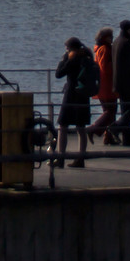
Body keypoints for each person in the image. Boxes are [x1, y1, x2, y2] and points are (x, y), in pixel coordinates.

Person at [54, 37, 98, 168]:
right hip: (83, 96)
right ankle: (81, 159)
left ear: (71, 49)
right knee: (81, 128)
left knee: (62, 126)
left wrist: (63, 60)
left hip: (71, 96)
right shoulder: (87, 58)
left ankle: (61, 157)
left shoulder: (72, 60)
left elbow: (58, 74)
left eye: (67, 49)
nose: (66, 51)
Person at [85, 27, 118, 145]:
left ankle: (108, 137)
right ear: (105, 38)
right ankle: (94, 128)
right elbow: (105, 68)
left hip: (103, 85)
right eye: (110, 36)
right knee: (110, 111)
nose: (112, 38)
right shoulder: (105, 49)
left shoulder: (99, 49)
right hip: (107, 86)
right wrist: (116, 65)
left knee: (108, 111)